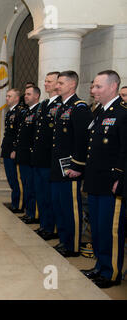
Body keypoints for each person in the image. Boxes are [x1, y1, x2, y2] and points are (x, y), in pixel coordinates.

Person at [82, 70, 127, 289]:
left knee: (111, 229)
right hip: (95, 180)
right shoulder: (100, 111)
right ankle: (100, 266)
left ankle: (111, 273)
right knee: (98, 228)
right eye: (93, 86)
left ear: (113, 86)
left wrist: (120, 176)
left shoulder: (123, 112)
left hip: (112, 182)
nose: (93, 91)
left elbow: (125, 150)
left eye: (98, 87)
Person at [50, 71, 93, 257]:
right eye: (57, 83)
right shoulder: (62, 106)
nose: (57, 86)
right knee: (60, 205)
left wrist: (76, 166)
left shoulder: (79, 107)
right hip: (58, 166)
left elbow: (82, 140)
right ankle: (64, 240)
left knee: (71, 208)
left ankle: (73, 245)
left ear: (72, 85)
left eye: (60, 83)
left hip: (70, 168)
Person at [31, 72, 61, 240]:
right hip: (39, 158)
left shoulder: (60, 105)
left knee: (50, 197)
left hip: (50, 160)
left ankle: (52, 228)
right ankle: (45, 225)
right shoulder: (43, 105)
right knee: (41, 195)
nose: (46, 84)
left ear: (58, 84)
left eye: (49, 81)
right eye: (46, 81)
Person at [13, 86, 41, 224]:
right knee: (27, 186)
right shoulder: (27, 112)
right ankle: (29, 212)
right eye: (25, 94)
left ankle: (34, 214)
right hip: (23, 155)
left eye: (29, 94)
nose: (26, 96)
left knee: (32, 187)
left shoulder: (38, 111)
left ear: (37, 96)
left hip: (31, 156)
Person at [0, 88, 24, 213]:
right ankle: (15, 202)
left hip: (13, 151)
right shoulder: (10, 112)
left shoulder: (20, 112)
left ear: (16, 98)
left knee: (16, 179)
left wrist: (15, 149)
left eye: (9, 96)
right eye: (7, 96)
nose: (7, 98)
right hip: (7, 149)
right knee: (10, 178)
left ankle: (19, 204)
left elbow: (19, 133)